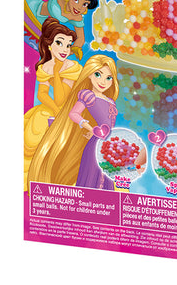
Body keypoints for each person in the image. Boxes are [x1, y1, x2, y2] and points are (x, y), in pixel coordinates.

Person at [27, 55, 119, 190]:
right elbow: (73, 114)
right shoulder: (88, 95)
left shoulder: (110, 101)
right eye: (98, 74)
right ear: (89, 74)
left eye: (108, 78)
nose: (103, 81)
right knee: (93, 175)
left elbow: (109, 124)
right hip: (96, 143)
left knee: (106, 176)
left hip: (109, 144)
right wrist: (91, 128)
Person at [23, 18, 82, 190]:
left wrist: (56, 73)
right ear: (49, 45)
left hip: (70, 110)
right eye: (59, 43)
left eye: (68, 45)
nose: (65, 49)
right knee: (33, 131)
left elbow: (61, 99)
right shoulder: (44, 67)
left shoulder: (72, 67)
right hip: (51, 110)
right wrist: (55, 110)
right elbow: (42, 94)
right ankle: (30, 179)